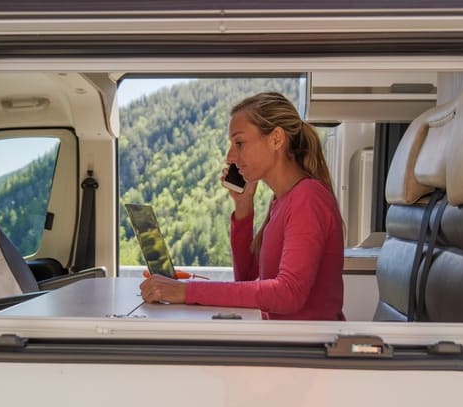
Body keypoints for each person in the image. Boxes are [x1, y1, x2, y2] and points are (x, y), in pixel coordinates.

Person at [140, 92, 345, 320]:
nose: (230, 157)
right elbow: (247, 278)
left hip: (305, 348)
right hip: (284, 342)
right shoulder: (282, 201)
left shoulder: (307, 197)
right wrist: (244, 206)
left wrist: (186, 291)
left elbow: (288, 294)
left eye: (239, 143)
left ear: (276, 138)